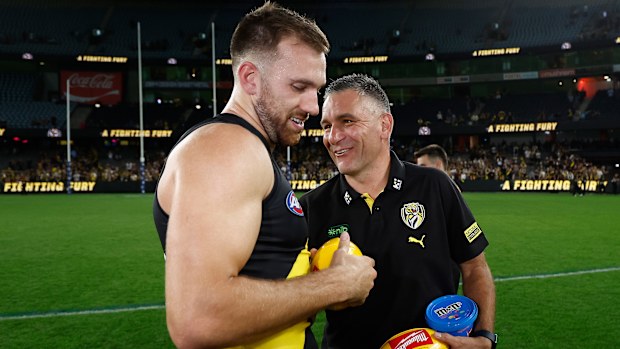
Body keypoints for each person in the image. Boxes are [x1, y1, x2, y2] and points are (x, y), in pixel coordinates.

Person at [153, 4, 376, 348]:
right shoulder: (227, 148)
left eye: (315, 89)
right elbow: (198, 319)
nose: (314, 107)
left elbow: (256, 266)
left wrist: (305, 267)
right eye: (299, 86)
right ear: (249, 78)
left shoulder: (245, 147)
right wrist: (336, 284)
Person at [300, 74, 496, 349]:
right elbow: (296, 310)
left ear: (384, 125)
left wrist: (485, 337)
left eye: (347, 121)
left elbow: (475, 267)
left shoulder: (435, 186)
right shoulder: (311, 207)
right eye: (326, 126)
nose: (333, 137)